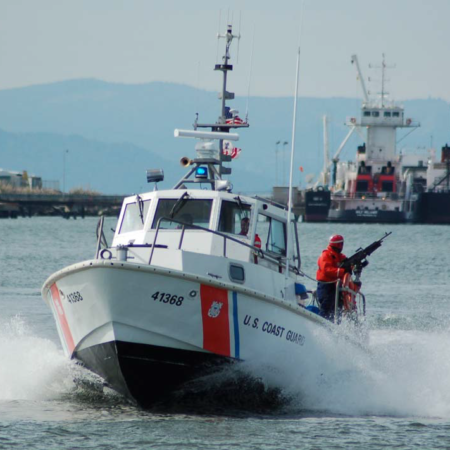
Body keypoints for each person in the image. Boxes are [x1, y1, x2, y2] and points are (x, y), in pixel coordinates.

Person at [316, 234, 348, 321]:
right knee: (326, 307)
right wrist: (342, 271)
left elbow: (348, 264)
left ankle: (336, 327)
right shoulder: (325, 255)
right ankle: (321, 324)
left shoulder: (340, 256)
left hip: (336, 286)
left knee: (338, 309)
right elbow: (327, 270)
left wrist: (355, 265)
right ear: (339, 245)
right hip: (326, 286)